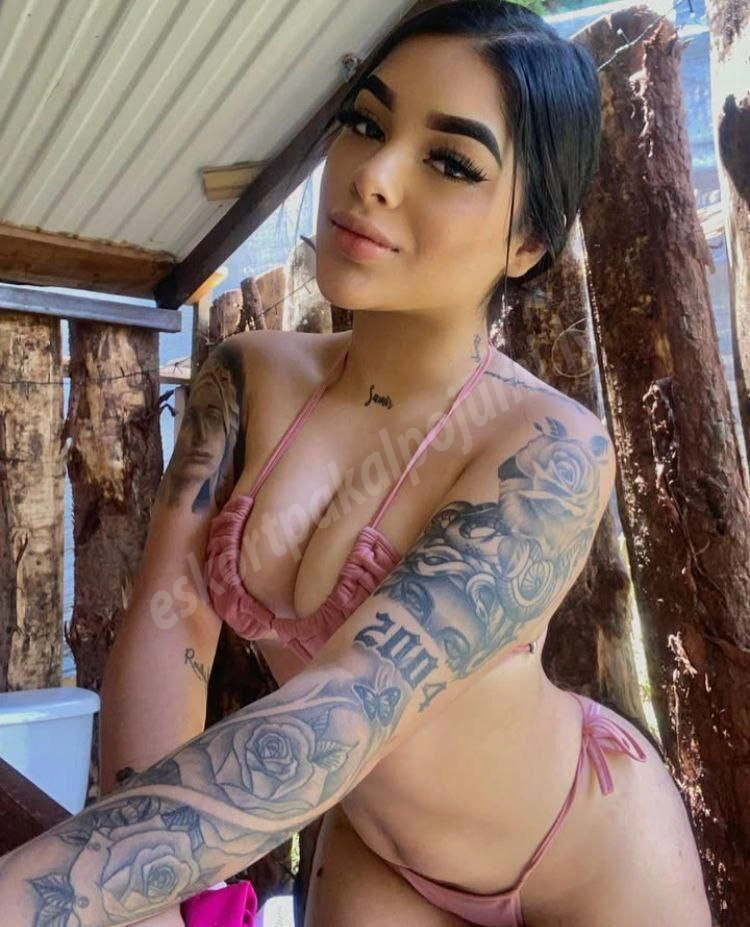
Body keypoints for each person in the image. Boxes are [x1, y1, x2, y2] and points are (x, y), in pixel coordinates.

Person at [0, 2, 711, 925]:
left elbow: (342, 712)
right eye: (367, 123)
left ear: (528, 242)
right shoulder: (246, 378)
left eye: (450, 162)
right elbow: (169, 635)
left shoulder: (550, 449)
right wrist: (164, 901)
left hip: (581, 853)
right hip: (378, 852)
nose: (372, 175)